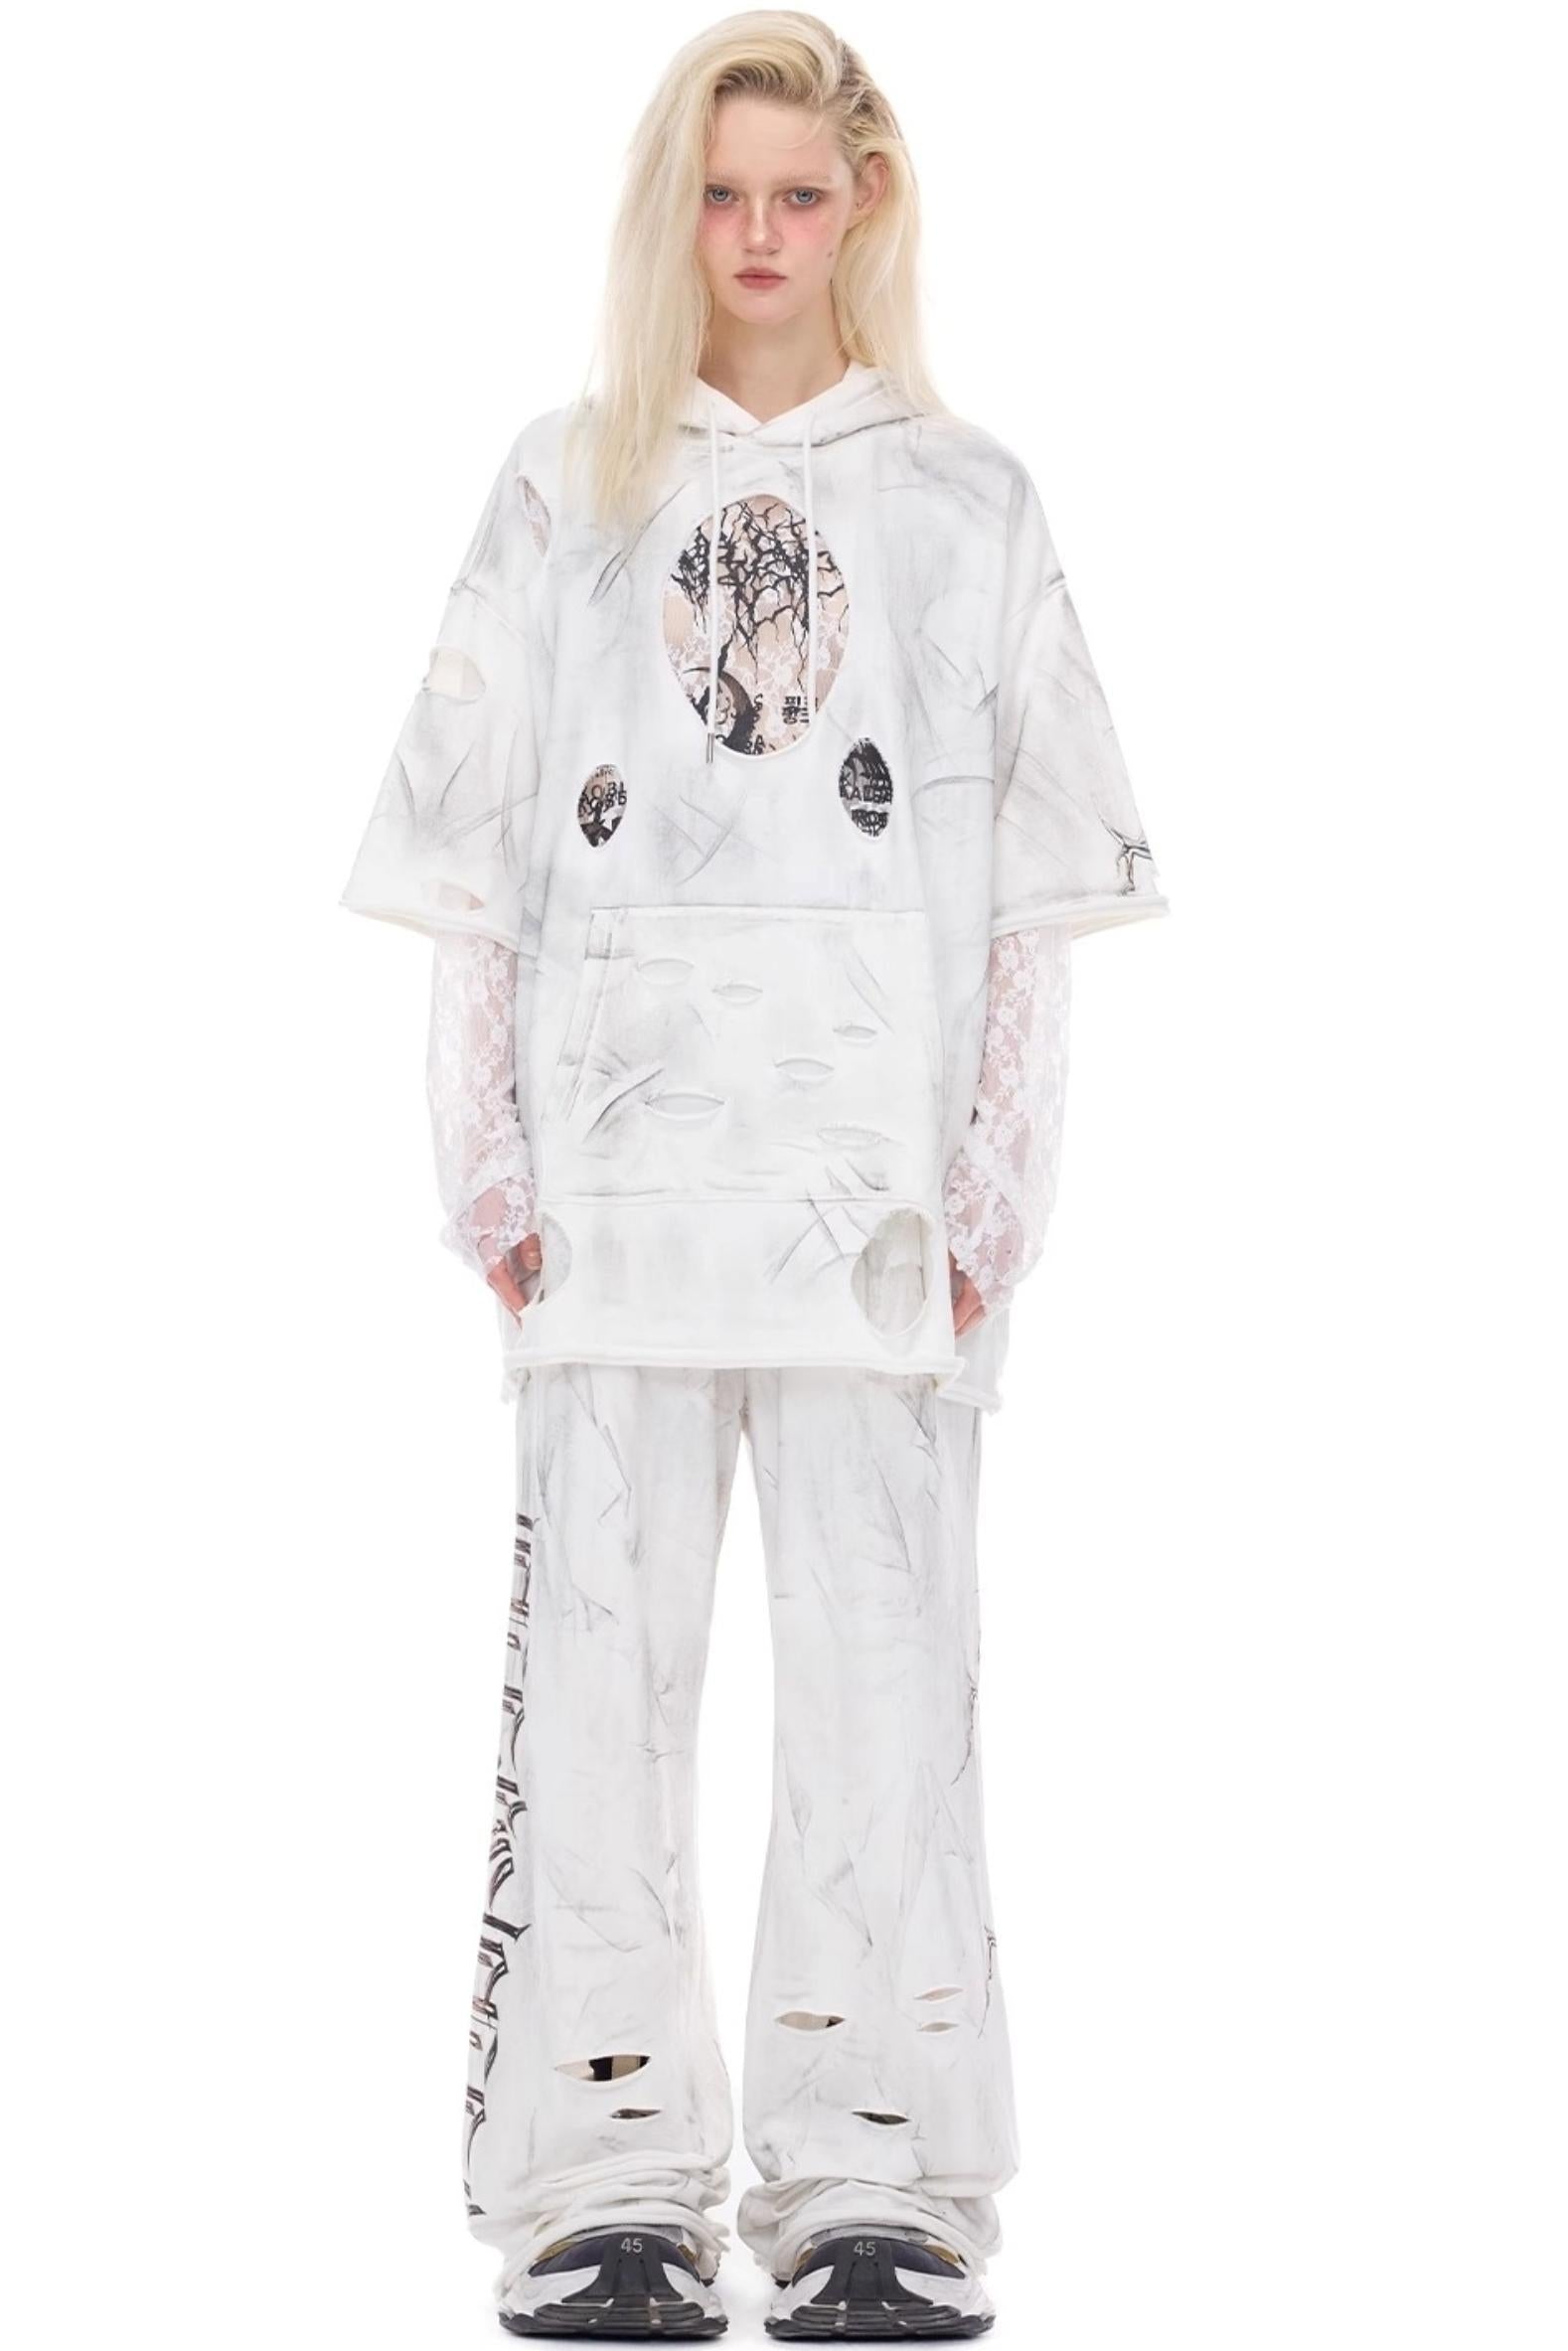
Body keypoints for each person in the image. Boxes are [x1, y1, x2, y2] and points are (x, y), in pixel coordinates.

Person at [339, 12, 1168, 2339]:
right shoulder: (563, 488)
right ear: (670, 210)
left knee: (888, 1694)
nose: (762, 236)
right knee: (599, 1689)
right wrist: (484, 1156)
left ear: (865, 203)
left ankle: (877, 2177)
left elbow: (1032, 888)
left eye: (801, 193)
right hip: (616, 1194)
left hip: (876, 1207)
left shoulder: (968, 503)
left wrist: (998, 1186)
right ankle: (600, 2180)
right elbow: (479, 858)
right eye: (722, 194)